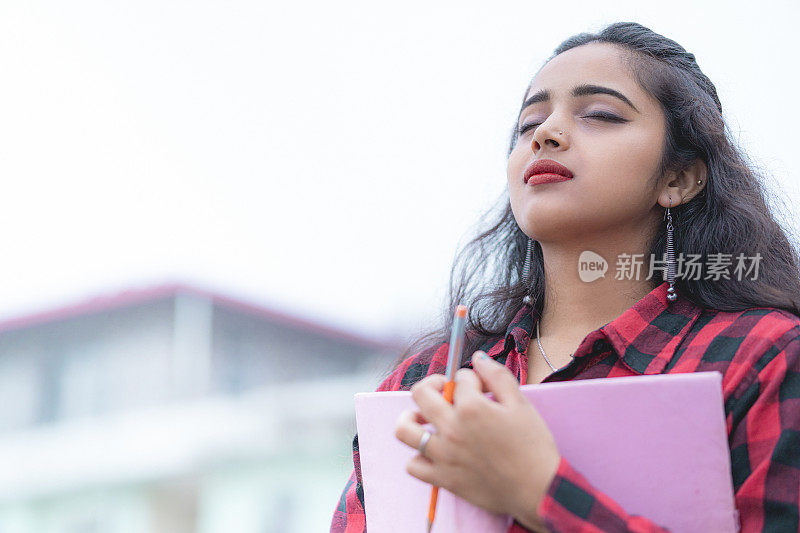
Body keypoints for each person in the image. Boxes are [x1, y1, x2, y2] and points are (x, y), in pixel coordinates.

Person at [330, 21, 800, 533]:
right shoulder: (424, 384)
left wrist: (540, 494)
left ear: (677, 178)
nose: (546, 135)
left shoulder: (762, 356)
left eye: (599, 114)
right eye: (529, 124)